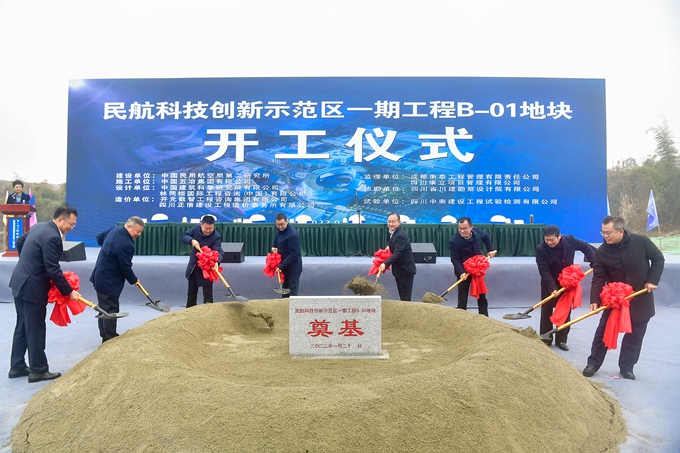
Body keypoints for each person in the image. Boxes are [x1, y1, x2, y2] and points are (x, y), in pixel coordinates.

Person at [582, 216, 664, 380]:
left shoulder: (641, 241)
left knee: (635, 335)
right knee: (603, 332)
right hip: (615, 300)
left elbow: (658, 259)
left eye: (608, 233)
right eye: (603, 232)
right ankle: (593, 363)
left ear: (620, 231)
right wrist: (595, 300)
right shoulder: (602, 252)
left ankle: (627, 367)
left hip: (640, 297)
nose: (605, 236)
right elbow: (599, 278)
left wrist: (652, 280)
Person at [8, 205, 81, 383]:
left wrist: (28, 262)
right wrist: (69, 291)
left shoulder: (39, 226)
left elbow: (20, 241)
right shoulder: (53, 238)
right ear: (60, 219)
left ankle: (17, 367)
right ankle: (38, 370)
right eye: (71, 224)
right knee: (35, 330)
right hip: (32, 289)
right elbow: (53, 269)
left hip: (20, 282)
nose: (71, 228)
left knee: (22, 325)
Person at [535, 224, 596, 351]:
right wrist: (552, 288)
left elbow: (585, 246)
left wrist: (594, 262)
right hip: (549, 282)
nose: (549, 242)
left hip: (567, 281)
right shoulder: (541, 249)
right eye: (546, 240)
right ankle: (546, 337)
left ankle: (561, 340)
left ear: (559, 236)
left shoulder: (570, 240)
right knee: (546, 309)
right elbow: (544, 270)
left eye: (552, 240)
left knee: (565, 309)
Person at [90, 216, 145, 342]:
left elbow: (99, 238)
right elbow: (125, 267)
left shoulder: (114, 229)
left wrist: (108, 248)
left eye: (141, 232)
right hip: (109, 280)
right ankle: (109, 338)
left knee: (103, 307)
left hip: (99, 274)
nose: (139, 234)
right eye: (137, 231)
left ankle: (104, 335)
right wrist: (134, 280)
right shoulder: (127, 244)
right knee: (110, 309)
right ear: (129, 226)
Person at [449, 217, 497, 316]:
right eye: (460, 228)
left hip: (477, 268)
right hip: (463, 270)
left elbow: (486, 237)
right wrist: (461, 272)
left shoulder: (477, 232)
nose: (462, 231)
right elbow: (455, 259)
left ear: (471, 227)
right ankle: (461, 317)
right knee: (462, 296)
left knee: (481, 294)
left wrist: (490, 249)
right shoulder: (454, 241)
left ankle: (484, 316)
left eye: (465, 228)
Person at [179, 215, 223, 307]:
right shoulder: (196, 229)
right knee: (191, 293)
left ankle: (208, 312)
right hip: (194, 266)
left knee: (208, 296)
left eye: (211, 228)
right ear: (201, 225)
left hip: (207, 268)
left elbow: (218, 251)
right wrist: (191, 240)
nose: (208, 231)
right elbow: (183, 236)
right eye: (206, 228)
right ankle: (190, 311)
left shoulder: (216, 236)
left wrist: (217, 262)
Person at [379, 213, 417, 301]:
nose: (391, 224)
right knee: (401, 294)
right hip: (399, 269)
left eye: (393, 222)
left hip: (405, 270)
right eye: (389, 222)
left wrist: (385, 264)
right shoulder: (394, 231)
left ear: (399, 222)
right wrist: (388, 246)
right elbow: (392, 240)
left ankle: (405, 310)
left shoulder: (400, 235)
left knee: (405, 298)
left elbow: (397, 253)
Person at [272, 213, 302, 297]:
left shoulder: (293, 234)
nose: (280, 227)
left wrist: (281, 266)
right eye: (278, 224)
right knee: (284, 292)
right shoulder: (279, 230)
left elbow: (294, 253)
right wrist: (274, 246)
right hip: (284, 267)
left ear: (286, 221)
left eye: (282, 224)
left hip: (293, 269)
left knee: (292, 294)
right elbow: (277, 238)